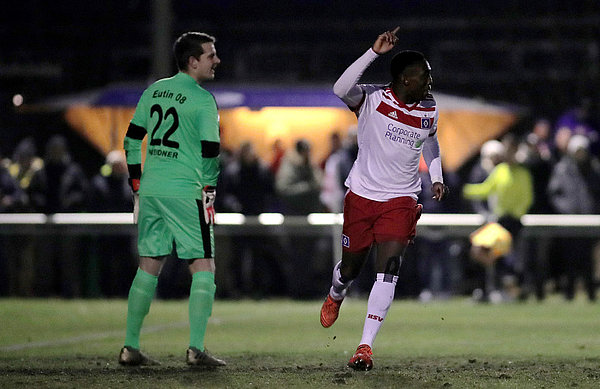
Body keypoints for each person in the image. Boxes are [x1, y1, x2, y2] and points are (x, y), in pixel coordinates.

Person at [319, 27, 447, 371]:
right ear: (406, 80)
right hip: (362, 196)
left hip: (401, 199)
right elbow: (340, 88)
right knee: (350, 268)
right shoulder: (372, 99)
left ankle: (365, 347)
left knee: (389, 270)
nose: (430, 83)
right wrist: (373, 53)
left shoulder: (429, 108)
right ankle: (336, 292)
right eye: (425, 77)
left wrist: (436, 176)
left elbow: (431, 139)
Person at [119, 31, 225, 367]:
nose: (216, 60)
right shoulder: (202, 99)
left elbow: (132, 141)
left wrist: (137, 186)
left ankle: (130, 346)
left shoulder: (153, 91)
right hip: (186, 191)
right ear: (193, 62)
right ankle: (196, 348)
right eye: (211, 55)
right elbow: (211, 150)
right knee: (204, 267)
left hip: (151, 190)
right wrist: (209, 189)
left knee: (149, 265)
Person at [462, 134, 534, 302]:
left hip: (513, 222)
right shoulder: (500, 171)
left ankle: (505, 291)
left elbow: (527, 198)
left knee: (505, 257)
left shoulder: (522, 173)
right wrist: (464, 190)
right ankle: (499, 290)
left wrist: (516, 212)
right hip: (500, 221)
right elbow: (486, 189)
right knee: (484, 251)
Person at [547, 134, 600, 301]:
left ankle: (591, 293)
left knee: (588, 260)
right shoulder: (562, 169)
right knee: (569, 259)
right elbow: (554, 194)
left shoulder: (594, 169)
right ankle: (568, 293)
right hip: (569, 221)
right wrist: (567, 210)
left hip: (589, 221)